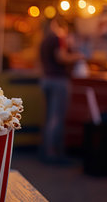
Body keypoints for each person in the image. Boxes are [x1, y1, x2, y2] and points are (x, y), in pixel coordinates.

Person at [39, 16, 84, 163]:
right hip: (58, 80)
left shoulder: (43, 40)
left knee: (49, 117)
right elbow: (61, 57)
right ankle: (53, 153)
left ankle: (46, 149)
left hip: (46, 79)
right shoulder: (57, 38)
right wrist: (77, 56)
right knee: (57, 117)